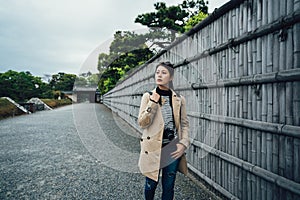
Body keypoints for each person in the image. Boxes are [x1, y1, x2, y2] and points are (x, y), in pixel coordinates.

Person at [138, 61, 190, 200]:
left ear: (171, 77)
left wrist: (183, 143)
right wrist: (153, 103)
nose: (159, 75)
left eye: (164, 72)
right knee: (151, 184)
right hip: (153, 148)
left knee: (169, 187)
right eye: (157, 72)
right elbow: (142, 123)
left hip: (172, 148)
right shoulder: (148, 96)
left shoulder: (179, 99)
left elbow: (184, 124)